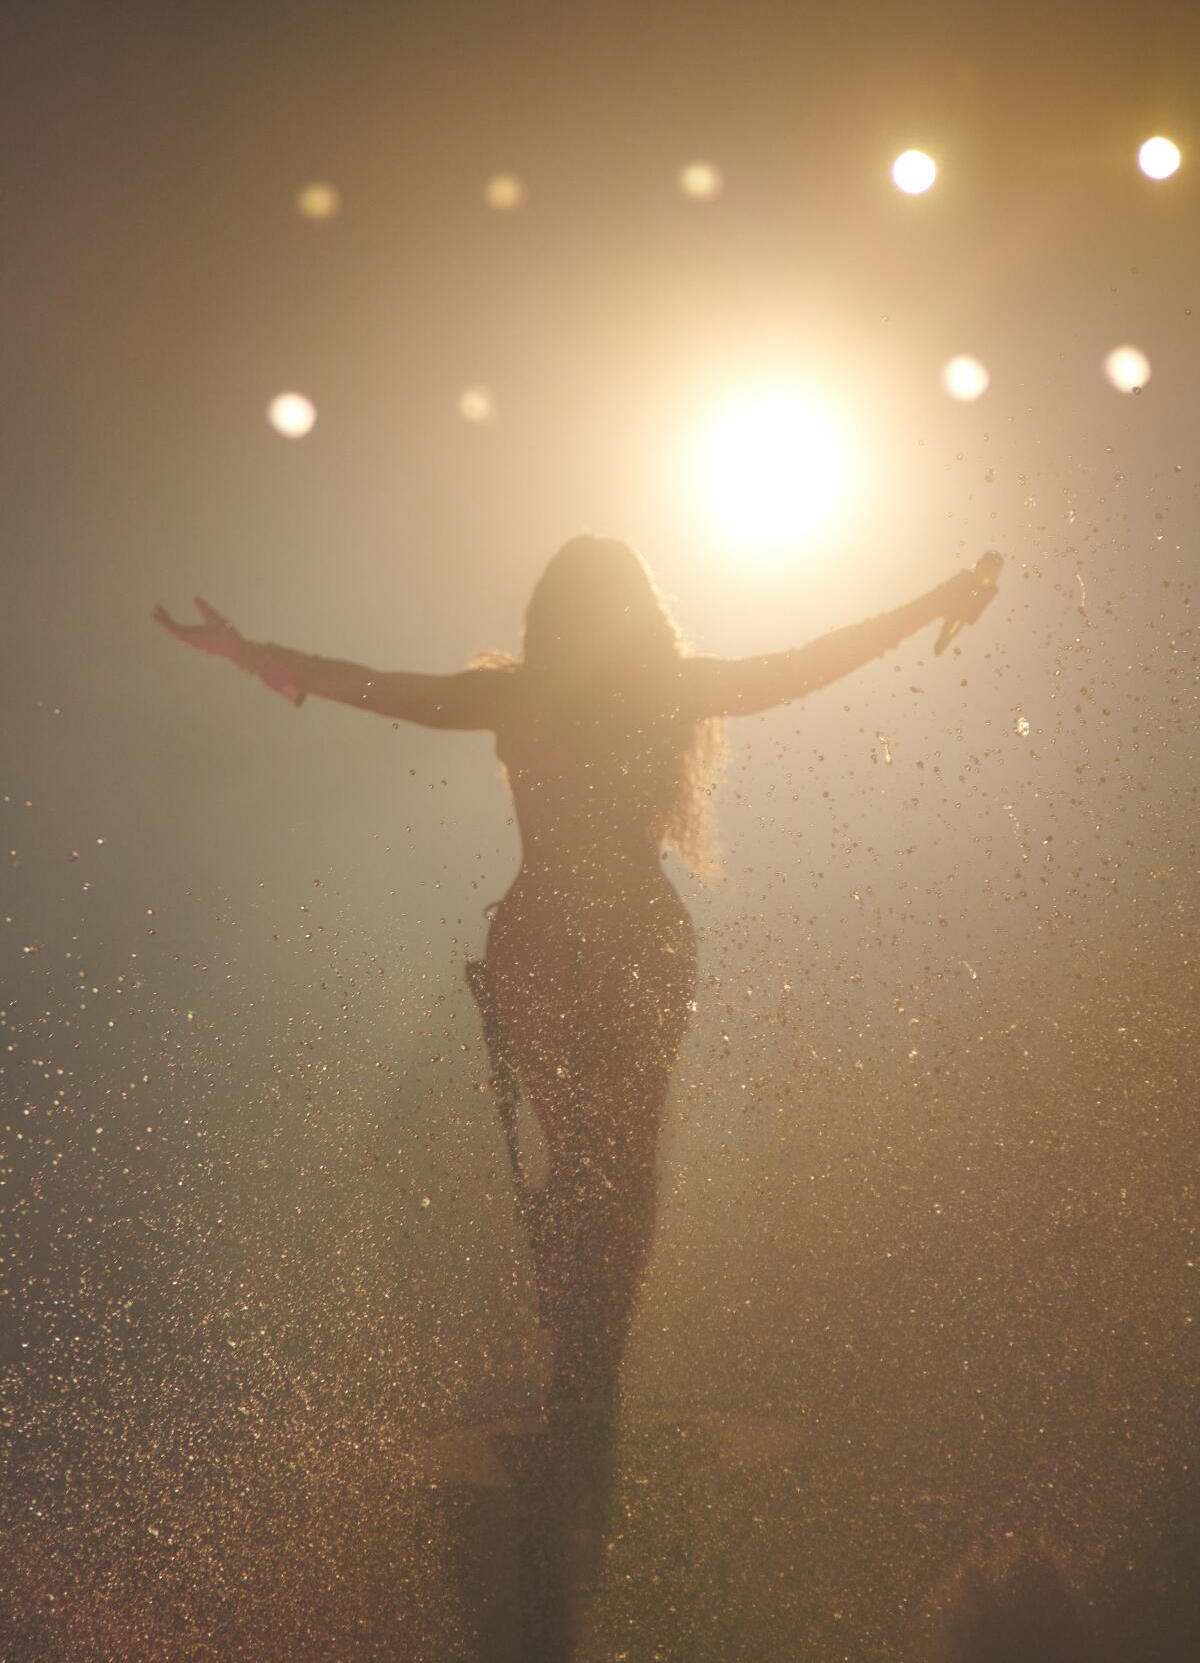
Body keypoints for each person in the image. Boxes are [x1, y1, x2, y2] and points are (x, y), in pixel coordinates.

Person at [153, 538, 999, 1422]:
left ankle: (574, 1348)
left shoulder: (516, 694)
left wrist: (249, 654)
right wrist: (930, 601)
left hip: (542, 939)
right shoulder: (670, 688)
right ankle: (596, 1362)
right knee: (626, 1163)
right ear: (641, 614)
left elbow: (375, 685)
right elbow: (803, 667)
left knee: (578, 1158)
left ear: (545, 619)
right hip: (635, 933)